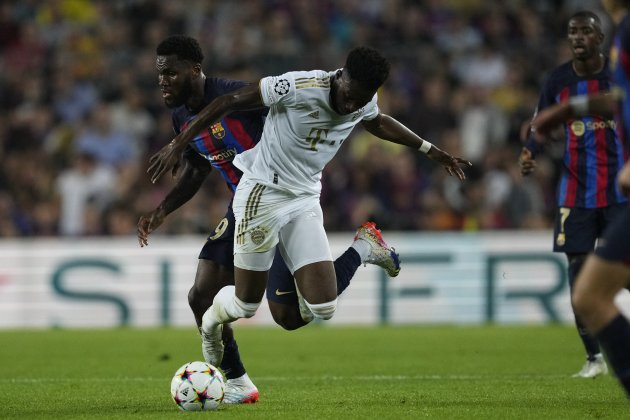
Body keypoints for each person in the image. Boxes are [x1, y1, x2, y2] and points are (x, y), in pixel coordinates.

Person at [147, 46, 471, 368]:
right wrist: (178, 142)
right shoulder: (298, 87)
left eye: (360, 101)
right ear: (341, 76)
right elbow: (228, 102)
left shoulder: (363, 98)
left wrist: (430, 149)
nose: (351, 105)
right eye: (349, 96)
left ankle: (363, 247)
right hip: (261, 194)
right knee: (245, 305)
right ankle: (210, 325)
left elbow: (377, 121)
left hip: (304, 199)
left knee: (325, 307)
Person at [138, 36, 401, 404]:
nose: (163, 80)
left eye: (170, 73)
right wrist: (162, 210)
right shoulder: (181, 116)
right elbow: (198, 170)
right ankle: (238, 382)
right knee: (202, 293)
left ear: (194, 70)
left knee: (289, 316)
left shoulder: (231, 96)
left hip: (278, 195)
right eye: (159, 73)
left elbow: (290, 114)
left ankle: (362, 249)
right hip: (245, 206)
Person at [519, 10, 627, 378]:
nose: (578, 37)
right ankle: (594, 357)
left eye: (586, 31)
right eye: (572, 32)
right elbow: (539, 122)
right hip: (575, 192)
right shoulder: (557, 80)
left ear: (600, 37)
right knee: (578, 272)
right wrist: (529, 152)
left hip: (618, 192)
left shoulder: (617, 76)